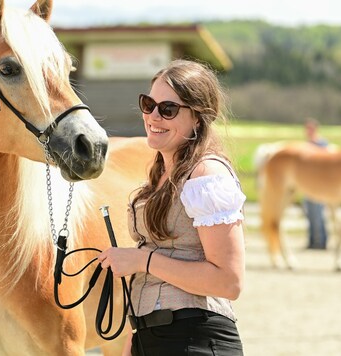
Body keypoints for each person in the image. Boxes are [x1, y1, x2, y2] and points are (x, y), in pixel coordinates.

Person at [98, 59, 246, 356]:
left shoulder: (207, 175)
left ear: (198, 118)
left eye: (168, 109)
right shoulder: (158, 176)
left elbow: (229, 282)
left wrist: (142, 261)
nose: (153, 116)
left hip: (195, 339)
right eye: (148, 104)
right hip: (151, 339)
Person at [303, 118, 329, 250]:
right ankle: (312, 240)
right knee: (310, 213)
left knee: (318, 213)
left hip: (319, 185)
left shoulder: (321, 144)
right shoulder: (307, 144)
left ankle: (322, 241)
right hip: (309, 184)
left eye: (310, 129)